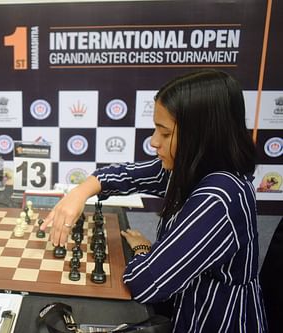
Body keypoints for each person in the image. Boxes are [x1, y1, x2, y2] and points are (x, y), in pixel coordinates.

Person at [42, 69, 267, 332]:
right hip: (184, 303)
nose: (153, 141)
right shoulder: (191, 167)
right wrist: (78, 194)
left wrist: (143, 251)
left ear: (202, 135)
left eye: (165, 133)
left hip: (212, 320)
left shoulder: (220, 198)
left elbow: (145, 282)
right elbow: (124, 175)